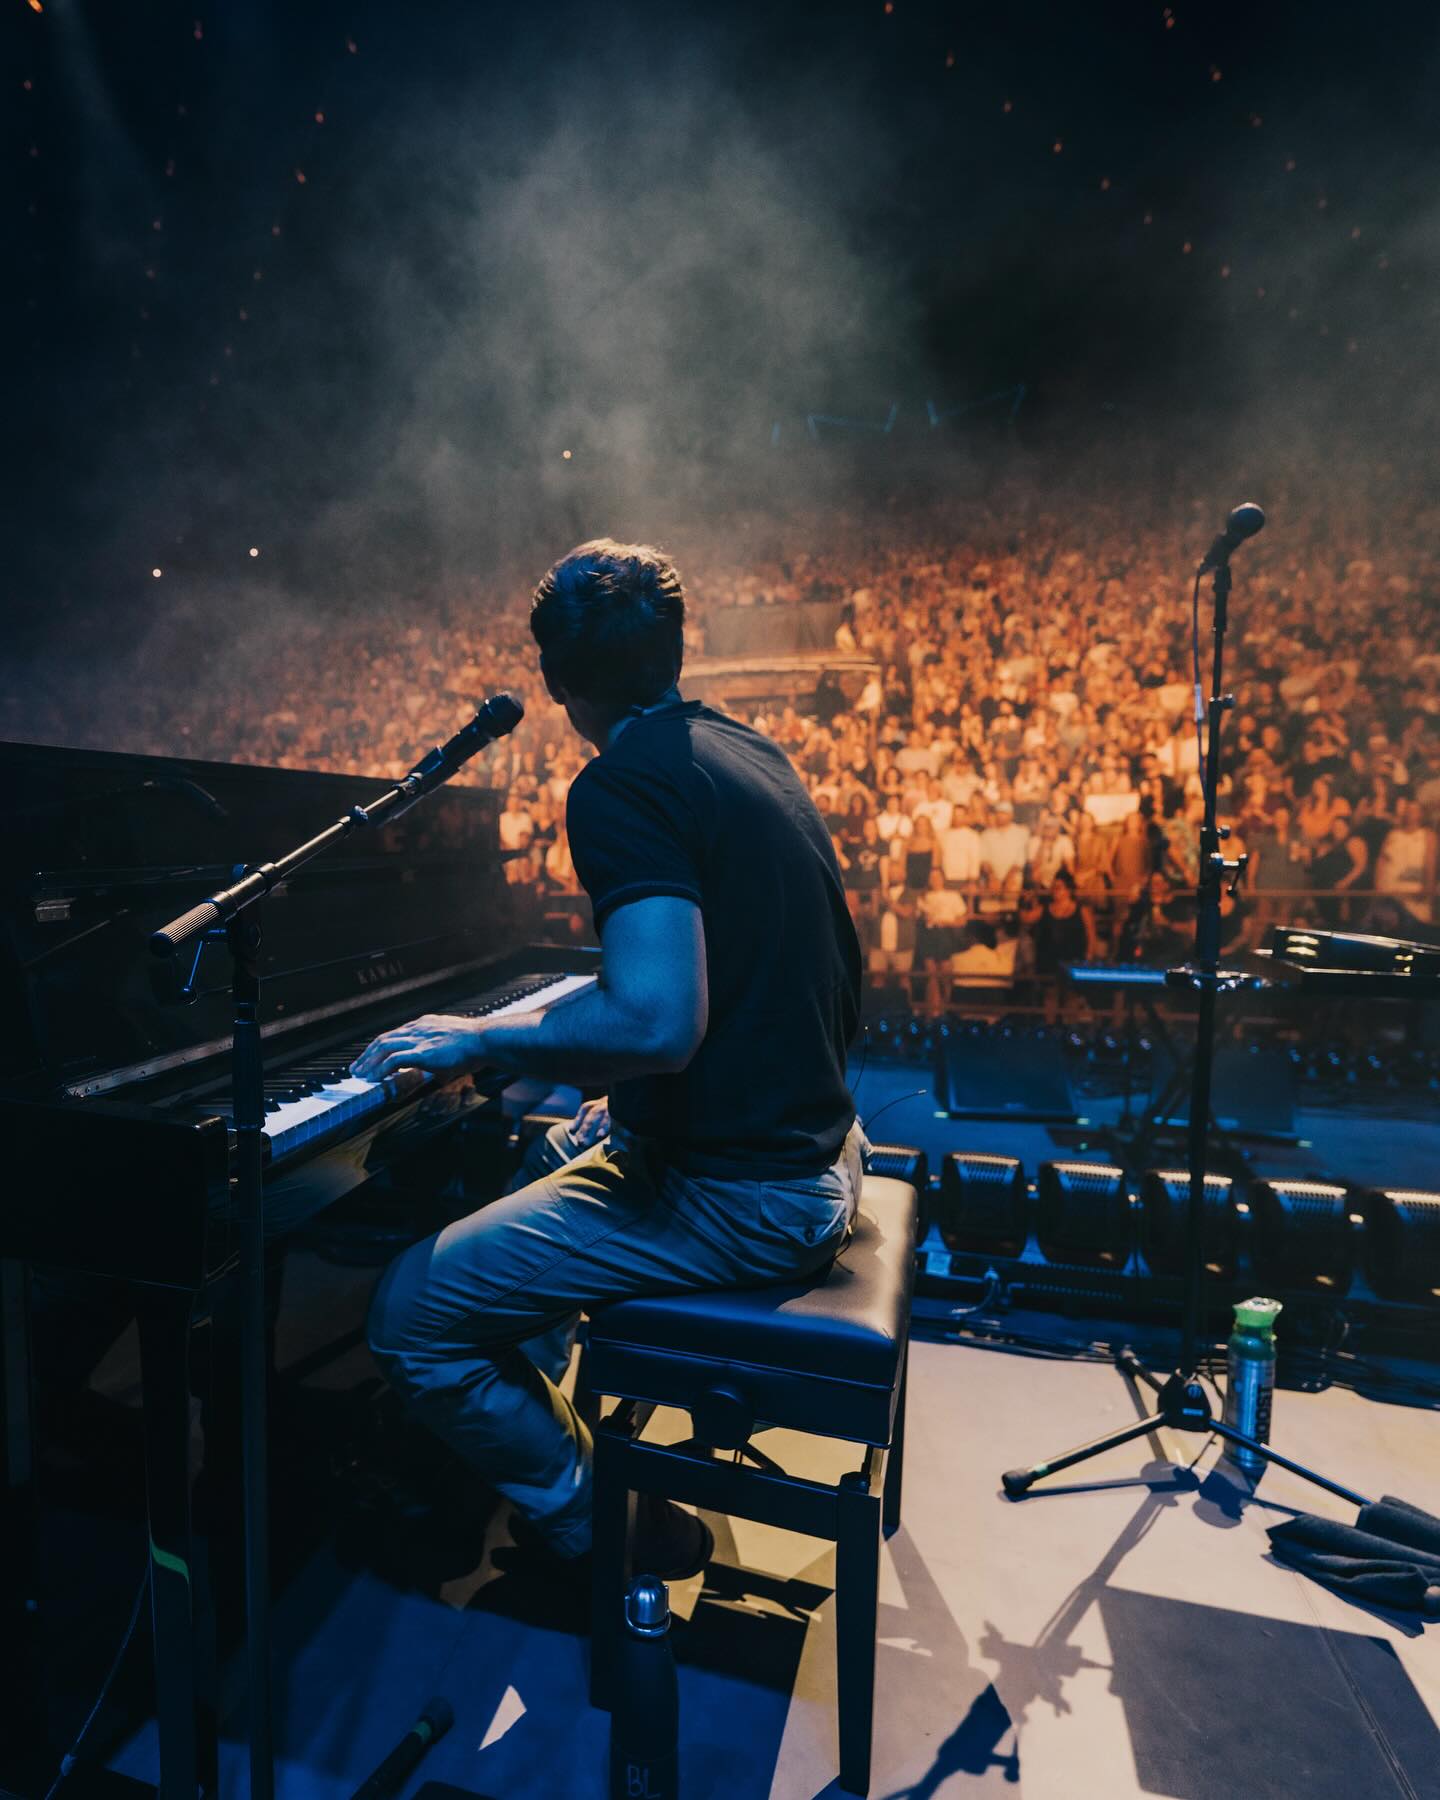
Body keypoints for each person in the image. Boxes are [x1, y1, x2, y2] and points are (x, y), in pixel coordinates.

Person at [353, 540, 865, 1580]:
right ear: (677, 651)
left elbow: (657, 1025)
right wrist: (639, 1104)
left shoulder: (621, 786)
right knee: (547, 1153)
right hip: (821, 1146)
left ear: (556, 683)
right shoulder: (750, 752)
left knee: (408, 1314)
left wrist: (481, 1037)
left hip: (754, 1197)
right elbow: (786, 983)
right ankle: (515, 1435)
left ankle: (599, 1524)